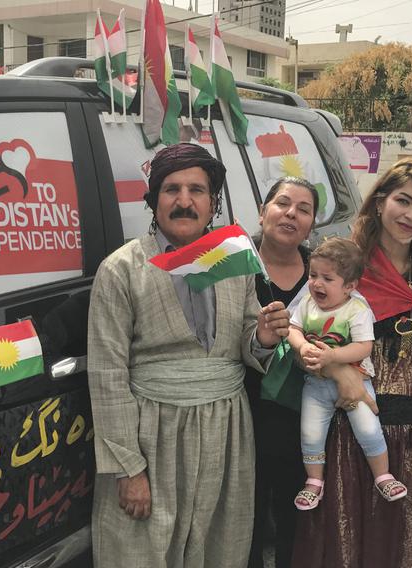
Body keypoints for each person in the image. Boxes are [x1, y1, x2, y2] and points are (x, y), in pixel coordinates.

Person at [87, 143, 291, 568]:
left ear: (213, 201)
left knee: (219, 546)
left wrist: (265, 338)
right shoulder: (122, 269)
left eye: (197, 190)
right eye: (171, 189)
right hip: (152, 436)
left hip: (226, 431)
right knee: (142, 550)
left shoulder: (231, 258)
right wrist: (128, 469)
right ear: (153, 199)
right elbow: (107, 374)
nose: (184, 201)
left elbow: (247, 341)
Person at [293, 158, 412, 568]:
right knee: (349, 544)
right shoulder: (344, 268)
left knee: (410, 547)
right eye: (403, 200)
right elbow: (300, 337)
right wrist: (339, 369)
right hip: (352, 432)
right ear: (380, 202)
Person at [289, 237, 407, 511]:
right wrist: (303, 345)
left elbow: (363, 347)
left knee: (368, 428)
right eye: (313, 275)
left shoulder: (357, 309)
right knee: (309, 433)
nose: (317, 283)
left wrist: (332, 356)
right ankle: (314, 481)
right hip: (317, 384)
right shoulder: (307, 303)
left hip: (357, 381)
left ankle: (382, 474)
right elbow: (293, 330)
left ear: (350, 286)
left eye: (327, 278)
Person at [246, 177, 317, 568]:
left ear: (311, 225)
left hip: (304, 419)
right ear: (263, 212)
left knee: (299, 517)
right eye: (283, 203)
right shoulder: (235, 267)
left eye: (304, 209)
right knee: (247, 519)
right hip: (245, 414)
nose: (291, 213)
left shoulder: (324, 276)